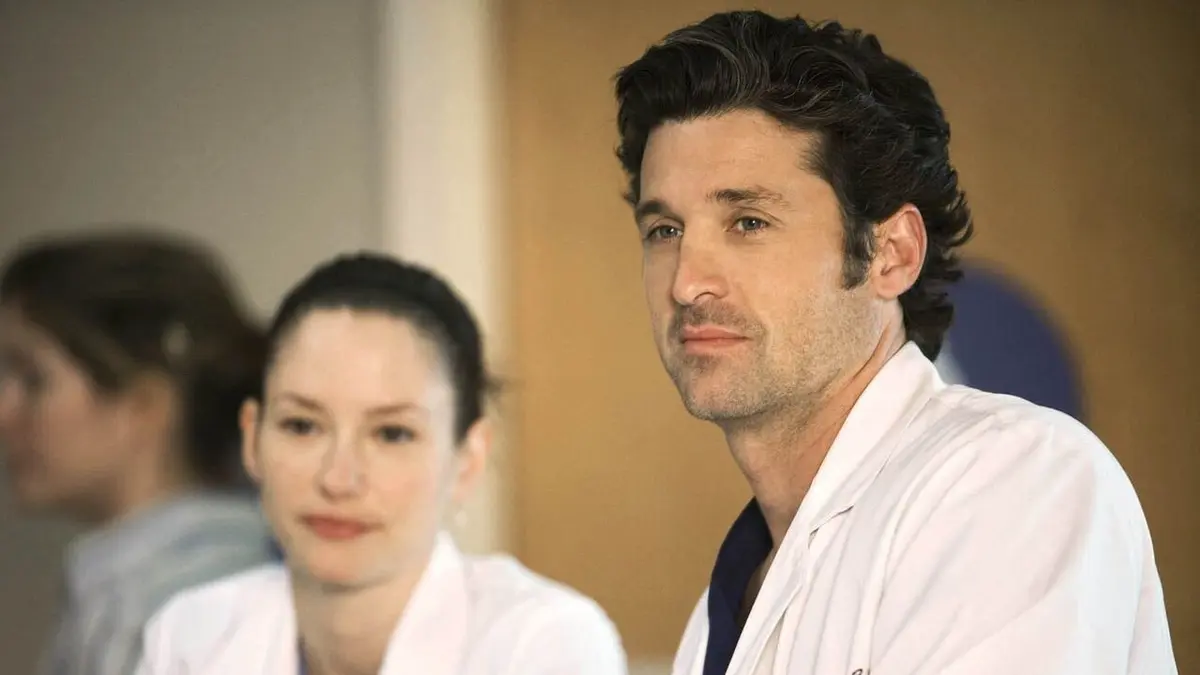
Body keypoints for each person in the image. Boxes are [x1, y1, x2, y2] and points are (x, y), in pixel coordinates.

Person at [614, 10, 1175, 675]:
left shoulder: (1016, 480)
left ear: (892, 253)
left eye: (748, 221)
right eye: (665, 230)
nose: (687, 282)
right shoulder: (723, 611)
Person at [136, 252, 627, 674]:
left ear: (468, 460)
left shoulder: (539, 644)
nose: (338, 479)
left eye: (392, 433)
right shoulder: (190, 636)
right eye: (302, 426)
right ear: (252, 439)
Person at [0, 230, 275, 675]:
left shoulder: (181, 611)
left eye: (33, 380)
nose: (4, 413)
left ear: (144, 404)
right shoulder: (123, 592)